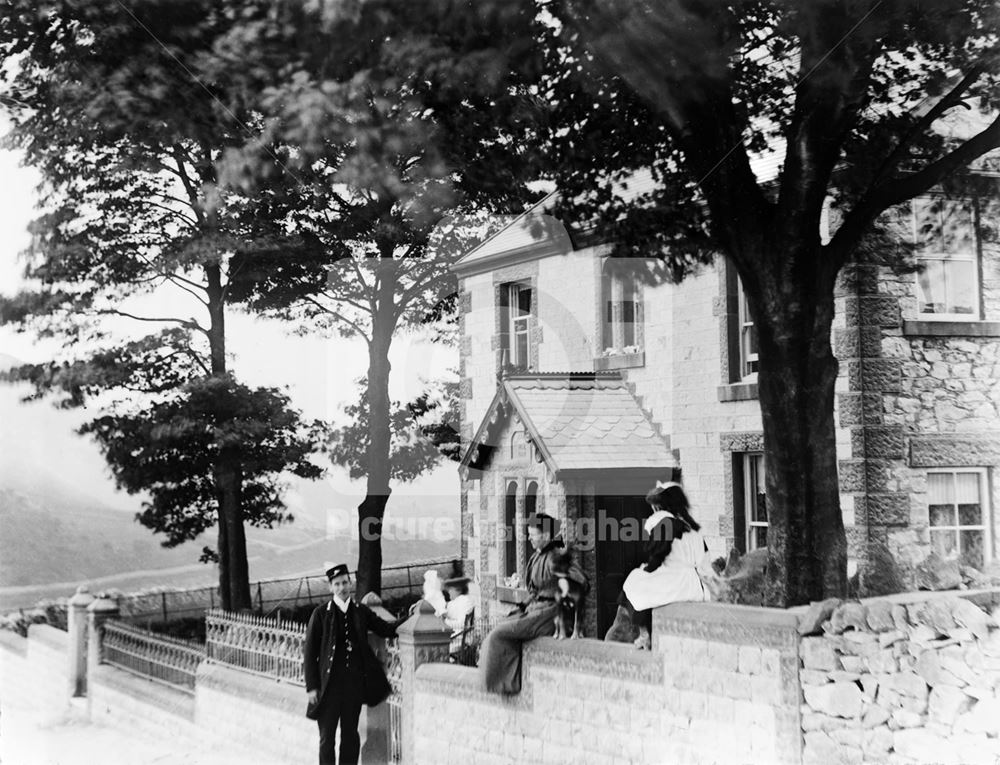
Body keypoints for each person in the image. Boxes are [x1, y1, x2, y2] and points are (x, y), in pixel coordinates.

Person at [480, 512, 587, 694]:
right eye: (528, 534)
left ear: (545, 535)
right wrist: (522, 606)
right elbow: (534, 591)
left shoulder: (555, 557)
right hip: (536, 608)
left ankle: (506, 684)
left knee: (498, 634)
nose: (529, 538)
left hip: (550, 613)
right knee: (502, 624)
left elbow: (583, 582)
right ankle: (504, 680)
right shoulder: (537, 557)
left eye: (533, 534)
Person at [303, 563, 399, 765]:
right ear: (330, 587)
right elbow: (310, 652)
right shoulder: (320, 614)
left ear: (351, 583)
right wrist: (312, 686)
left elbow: (385, 629)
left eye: (345, 582)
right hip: (327, 688)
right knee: (326, 738)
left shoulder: (360, 611)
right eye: (337, 584)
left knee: (350, 735)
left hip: (352, 687)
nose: (342, 588)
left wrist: (412, 618)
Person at [613, 482, 712, 649]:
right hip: (695, 582)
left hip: (678, 580)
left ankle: (644, 634)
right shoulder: (689, 525)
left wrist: (648, 569)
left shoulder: (664, 521)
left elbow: (660, 553)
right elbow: (704, 559)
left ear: (660, 507)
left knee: (634, 583)